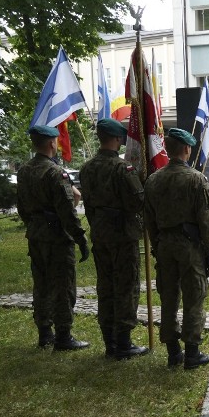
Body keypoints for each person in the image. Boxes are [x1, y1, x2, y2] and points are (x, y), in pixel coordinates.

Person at [144, 128, 209, 369]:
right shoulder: (196, 179)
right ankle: (192, 354)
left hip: (165, 245)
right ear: (186, 149)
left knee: (168, 298)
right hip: (189, 246)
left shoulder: (153, 180)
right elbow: (207, 221)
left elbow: (150, 220)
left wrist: (157, 244)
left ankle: (174, 353)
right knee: (194, 297)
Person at [16, 125, 90, 351]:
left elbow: (21, 208)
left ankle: (44, 332)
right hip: (57, 236)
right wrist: (80, 238)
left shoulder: (24, 170)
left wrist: (34, 224)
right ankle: (64, 336)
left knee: (42, 284)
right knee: (63, 285)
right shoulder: (55, 173)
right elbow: (67, 211)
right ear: (51, 143)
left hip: (36, 235)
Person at [79, 118, 148, 360]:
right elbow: (137, 202)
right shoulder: (122, 169)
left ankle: (109, 342)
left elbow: (86, 203)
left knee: (105, 287)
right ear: (118, 139)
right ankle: (124, 343)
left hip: (100, 234)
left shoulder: (86, 168)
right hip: (123, 235)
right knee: (126, 286)